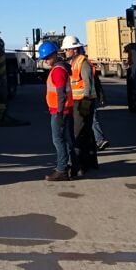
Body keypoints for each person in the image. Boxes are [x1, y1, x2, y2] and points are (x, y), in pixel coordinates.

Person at [62, 36, 98, 176]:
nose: (65, 52)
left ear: (74, 49)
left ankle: (80, 165)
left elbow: (88, 84)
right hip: (78, 101)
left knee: (78, 133)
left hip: (82, 101)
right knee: (86, 132)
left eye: (67, 49)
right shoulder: (73, 62)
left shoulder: (82, 62)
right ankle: (90, 163)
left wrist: (85, 102)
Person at [38, 41, 74, 182]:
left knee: (58, 140)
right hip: (64, 110)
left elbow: (60, 94)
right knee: (66, 140)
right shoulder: (60, 68)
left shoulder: (58, 71)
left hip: (60, 111)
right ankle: (69, 166)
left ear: (55, 55)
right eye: (43, 59)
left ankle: (61, 170)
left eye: (47, 57)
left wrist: (58, 112)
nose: (45, 61)